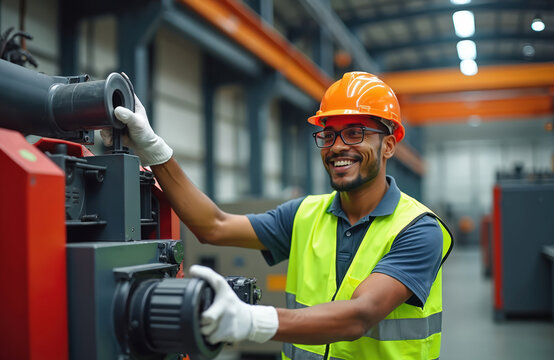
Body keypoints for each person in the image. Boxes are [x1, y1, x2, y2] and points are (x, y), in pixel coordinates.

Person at [101, 71, 453, 360]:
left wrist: (252, 320)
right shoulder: (305, 214)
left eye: (355, 132)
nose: (338, 146)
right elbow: (214, 226)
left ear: (389, 144)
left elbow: (360, 315)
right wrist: (153, 148)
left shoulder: (418, 229)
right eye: (328, 135)